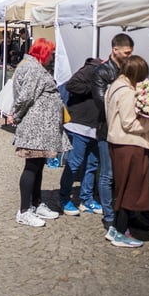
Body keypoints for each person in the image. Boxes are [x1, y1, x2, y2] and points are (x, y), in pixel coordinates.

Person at [6, 38, 70, 227]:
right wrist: (15, 115)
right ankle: (24, 210)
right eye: (51, 53)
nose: (52, 57)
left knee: (38, 166)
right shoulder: (34, 69)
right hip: (36, 128)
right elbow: (25, 97)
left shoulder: (34, 67)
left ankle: (35, 203)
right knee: (32, 167)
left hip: (41, 128)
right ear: (43, 53)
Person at [104, 55, 149, 248]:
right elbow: (129, 123)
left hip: (120, 144)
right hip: (130, 145)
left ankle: (116, 229)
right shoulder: (126, 92)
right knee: (129, 190)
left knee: (123, 188)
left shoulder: (115, 86)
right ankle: (120, 231)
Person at [91, 33, 134, 229]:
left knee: (121, 174)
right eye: (126, 52)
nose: (128, 55)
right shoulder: (102, 72)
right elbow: (102, 102)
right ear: (115, 50)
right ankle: (109, 216)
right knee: (107, 174)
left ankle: (121, 212)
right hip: (106, 129)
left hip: (125, 130)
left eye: (130, 53)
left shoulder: (129, 69)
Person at [58, 57, 103, 216]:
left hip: (95, 127)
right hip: (79, 124)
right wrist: (96, 86)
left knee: (92, 164)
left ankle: (87, 199)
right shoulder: (92, 68)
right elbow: (72, 85)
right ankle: (63, 198)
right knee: (75, 163)